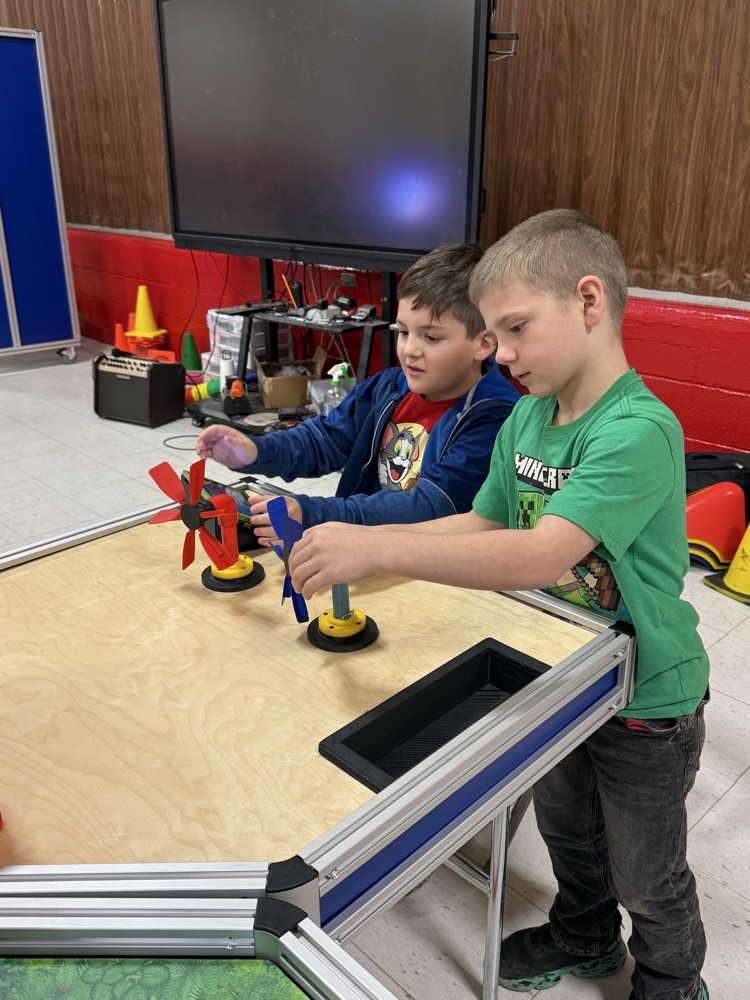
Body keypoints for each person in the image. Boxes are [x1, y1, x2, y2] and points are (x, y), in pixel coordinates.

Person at [288, 209, 710, 1000]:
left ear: (589, 301)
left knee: (648, 874)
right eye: (493, 334)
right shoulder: (527, 415)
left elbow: (542, 552)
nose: (502, 354)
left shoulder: (637, 430)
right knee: (570, 835)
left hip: (647, 700)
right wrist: (369, 546)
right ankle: (585, 935)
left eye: (515, 329)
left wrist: (377, 549)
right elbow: (483, 523)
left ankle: (672, 979)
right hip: (563, 678)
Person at [196, 243, 519, 541]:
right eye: (403, 332)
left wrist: (314, 514)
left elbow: (432, 507)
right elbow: (323, 440)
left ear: (484, 343)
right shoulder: (388, 387)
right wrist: (255, 451)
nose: (410, 350)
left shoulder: (497, 418)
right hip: (361, 549)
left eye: (431, 338)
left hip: (430, 565)